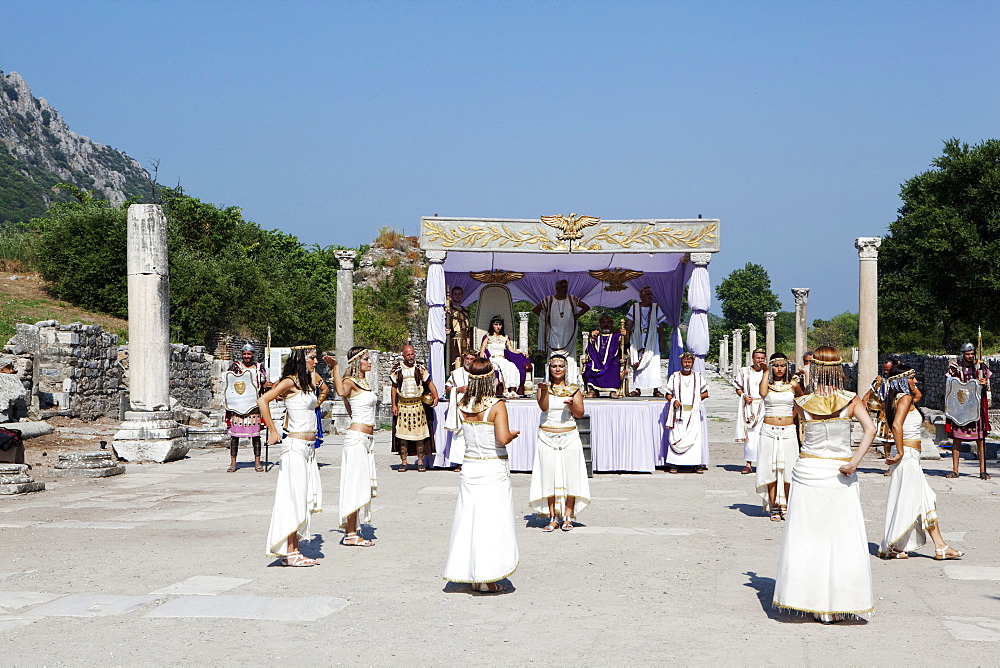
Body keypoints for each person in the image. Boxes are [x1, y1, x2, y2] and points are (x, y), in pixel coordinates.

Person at [772, 346, 876, 624]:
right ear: (840, 369)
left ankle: (807, 598)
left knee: (806, 537)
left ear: (814, 369)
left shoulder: (802, 401)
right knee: (841, 536)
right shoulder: (851, 400)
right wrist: (854, 461)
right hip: (840, 471)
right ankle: (839, 600)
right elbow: (871, 429)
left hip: (809, 469)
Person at [443, 357, 520, 593]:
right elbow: (503, 438)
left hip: (470, 466)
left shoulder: (463, 403)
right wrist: (514, 434)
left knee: (470, 520)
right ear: (490, 378)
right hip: (492, 466)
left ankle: (472, 573)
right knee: (493, 521)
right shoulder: (497, 405)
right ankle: (488, 575)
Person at [878, 363, 964, 561]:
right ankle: (895, 545)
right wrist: (900, 452)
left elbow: (918, 396)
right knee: (914, 499)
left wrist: (907, 385)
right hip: (906, 455)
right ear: (902, 380)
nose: (916, 381)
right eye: (912, 377)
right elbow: (897, 426)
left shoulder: (900, 398)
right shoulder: (904, 398)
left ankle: (940, 546)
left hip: (910, 456)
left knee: (924, 499)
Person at [259, 342, 327, 567]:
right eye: (312, 357)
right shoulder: (289, 382)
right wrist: (272, 429)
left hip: (308, 448)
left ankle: (294, 549)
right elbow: (263, 400)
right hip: (295, 447)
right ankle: (291, 552)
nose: (315, 361)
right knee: (294, 498)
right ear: (301, 358)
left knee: (302, 499)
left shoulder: (306, 382)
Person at [529, 354, 591, 531]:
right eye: (554, 366)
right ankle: (552, 516)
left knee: (570, 475)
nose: (557, 369)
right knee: (549, 475)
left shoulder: (573, 389)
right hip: (547, 435)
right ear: (549, 368)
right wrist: (542, 390)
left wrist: (571, 404)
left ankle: (567, 516)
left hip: (568, 435)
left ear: (565, 369)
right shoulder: (543, 387)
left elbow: (579, 414)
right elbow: (544, 407)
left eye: (560, 366)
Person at [325, 347, 378, 548]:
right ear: (357, 362)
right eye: (366, 359)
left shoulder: (364, 383)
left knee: (361, 483)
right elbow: (340, 392)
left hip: (366, 437)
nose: (370, 362)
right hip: (356, 438)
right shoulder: (350, 381)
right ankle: (349, 533)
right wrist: (336, 368)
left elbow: (350, 407)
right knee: (355, 483)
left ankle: (352, 530)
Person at [756, 352, 802, 519]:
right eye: (776, 365)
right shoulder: (767, 385)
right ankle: (774, 505)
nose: (779, 369)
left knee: (789, 468)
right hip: (769, 429)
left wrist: (793, 415)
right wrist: (765, 371)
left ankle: (788, 505)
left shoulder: (793, 384)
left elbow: (802, 402)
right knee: (771, 469)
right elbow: (761, 393)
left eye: (782, 365)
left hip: (788, 430)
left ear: (786, 367)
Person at [944, 343, 992, 480]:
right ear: (962, 354)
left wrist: (984, 383)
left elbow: (987, 385)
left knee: (980, 439)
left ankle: (983, 470)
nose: (970, 356)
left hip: (976, 407)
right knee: (957, 439)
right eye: (967, 354)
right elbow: (949, 384)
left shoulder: (981, 367)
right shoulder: (955, 367)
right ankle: (955, 470)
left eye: (972, 353)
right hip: (960, 408)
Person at [390, 344, 439, 472]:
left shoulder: (420, 368)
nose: (411, 357)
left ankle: (421, 461)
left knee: (420, 436)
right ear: (403, 355)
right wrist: (394, 404)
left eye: (412, 354)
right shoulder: (397, 369)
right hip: (403, 406)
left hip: (417, 405)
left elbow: (429, 382)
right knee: (402, 437)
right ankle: (404, 462)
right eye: (408, 354)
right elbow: (394, 387)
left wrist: (436, 396)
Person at [225, 343, 272, 472]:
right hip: (238, 405)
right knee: (234, 436)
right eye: (244, 354)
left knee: (255, 435)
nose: (246, 356)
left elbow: (262, 384)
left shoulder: (258, 368)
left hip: (253, 405)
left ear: (253, 354)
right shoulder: (235, 367)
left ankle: (257, 461)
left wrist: (266, 386)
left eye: (249, 354)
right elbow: (229, 382)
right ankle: (233, 462)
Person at [533, 279, 590, 385]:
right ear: (557, 288)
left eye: (566, 287)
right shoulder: (549, 300)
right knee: (553, 357)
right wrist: (546, 318)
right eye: (563, 287)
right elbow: (535, 309)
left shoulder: (572, 299)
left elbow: (586, 307)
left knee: (571, 359)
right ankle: (551, 383)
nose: (565, 289)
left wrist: (576, 316)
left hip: (569, 333)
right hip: (554, 333)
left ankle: (571, 383)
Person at [663, 351, 709, 474]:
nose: (687, 364)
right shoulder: (675, 376)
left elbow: (706, 393)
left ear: (692, 363)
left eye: (689, 362)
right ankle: (675, 464)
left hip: (693, 413)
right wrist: (673, 401)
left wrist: (696, 399)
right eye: (685, 362)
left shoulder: (698, 376)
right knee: (676, 436)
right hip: (678, 413)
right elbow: (667, 394)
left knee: (694, 438)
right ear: (681, 363)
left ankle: (695, 464)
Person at [625, 286, 668, 397]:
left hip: (653, 338)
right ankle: (637, 389)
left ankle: (656, 389)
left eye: (650, 294)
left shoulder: (656, 308)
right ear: (641, 296)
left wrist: (661, 340)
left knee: (653, 363)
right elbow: (629, 323)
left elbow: (661, 325)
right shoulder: (634, 307)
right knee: (638, 361)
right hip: (638, 338)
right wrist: (626, 333)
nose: (650, 297)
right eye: (647, 294)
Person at [479, 315, 530, 398]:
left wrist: (521, 353)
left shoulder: (505, 337)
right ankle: (505, 390)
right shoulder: (488, 337)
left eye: (500, 324)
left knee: (512, 366)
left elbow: (511, 350)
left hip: (502, 358)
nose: (498, 327)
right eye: (496, 324)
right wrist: (482, 352)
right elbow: (482, 347)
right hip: (493, 358)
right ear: (492, 325)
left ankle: (513, 390)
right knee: (504, 367)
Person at [733, 348, 767, 474]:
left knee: (763, 436)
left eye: (762, 358)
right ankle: (748, 463)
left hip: (763, 406)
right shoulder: (744, 371)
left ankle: (764, 464)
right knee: (750, 436)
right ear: (753, 358)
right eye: (758, 358)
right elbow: (738, 388)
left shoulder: (767, 372)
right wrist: (743, 395)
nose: (760, 360)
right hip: (749, 406)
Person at [444, 350, 478, 469]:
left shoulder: (478, 373)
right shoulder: (456, 373)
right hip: (459, 407)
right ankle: (459, 463)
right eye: (467, 359)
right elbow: (448, 388)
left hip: (474, 407)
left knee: (473, 435)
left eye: (471, 359)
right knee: (459, 435)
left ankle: (473, 463)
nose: (469, 361)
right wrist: (458, 389)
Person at [582, 315, 627, 397]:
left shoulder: (616, 336)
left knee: (614, 366)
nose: (606, 324)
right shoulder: (596, 336)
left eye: (608, 322)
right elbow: (589, 349)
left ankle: (613, 391)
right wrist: (591, 338)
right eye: (603, 322)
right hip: (597, 361)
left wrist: (625, 335)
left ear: (611, 324)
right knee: (590, 366)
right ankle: (593, 390)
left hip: (612, 360)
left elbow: (625, 343)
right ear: (600, 324)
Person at [446, 286, 472, 369]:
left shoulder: (466, 310)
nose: (457, 296)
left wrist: (468, 338)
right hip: (454, 339)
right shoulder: (449, 310)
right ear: (452, 296)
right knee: (454, 360)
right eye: (455, 294)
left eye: (459, 294)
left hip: (464, 339)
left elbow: (468, 326)